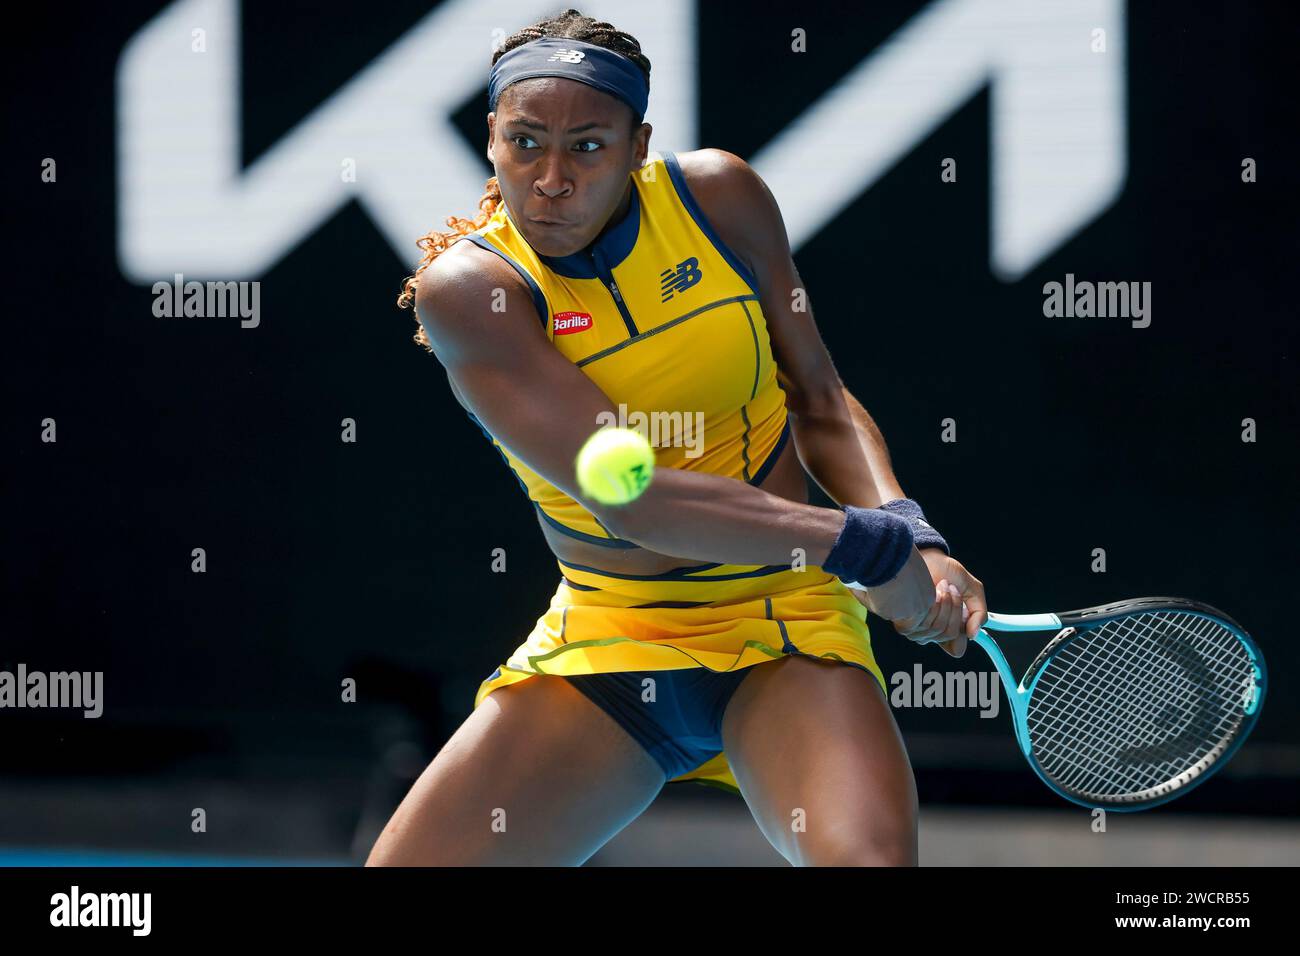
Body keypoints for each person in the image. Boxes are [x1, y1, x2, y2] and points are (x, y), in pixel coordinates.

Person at [367, 8, 986, 867]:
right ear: (490, 139)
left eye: (588, 146)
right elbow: (635, 498)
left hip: (788, 621)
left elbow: (818, 394)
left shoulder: (721, 199)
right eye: (524, 141)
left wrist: (909, 525)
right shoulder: (471, 291)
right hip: (612, 641)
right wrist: (868, 548)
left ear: (637, 143)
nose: (550, 178)